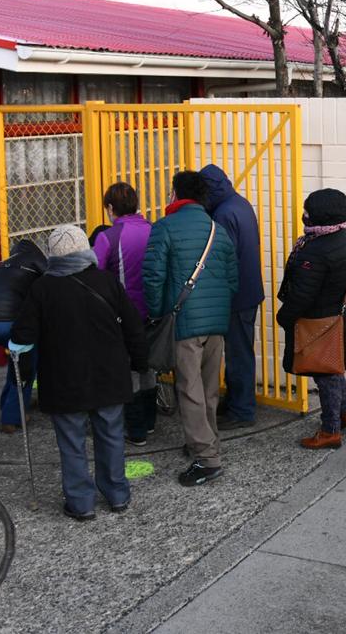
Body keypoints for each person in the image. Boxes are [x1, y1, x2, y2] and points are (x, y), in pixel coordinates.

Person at [10, 224, 146, 520]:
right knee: (111, 434)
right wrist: (140, 361)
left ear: (53, 256)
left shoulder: (42, 288)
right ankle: (117, 494)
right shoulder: (107, 282)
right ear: (86, 250)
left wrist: (15, 346)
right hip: (108, 374)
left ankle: (81, 502)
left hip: (64, 380)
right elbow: (134, 326)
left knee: (71, 442)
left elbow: (23, 334)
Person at [144, 170, 238, 488]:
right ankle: (206, 440)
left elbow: (153, 277)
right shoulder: (218, 230)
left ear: (175, 194)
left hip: (185, 320)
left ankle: (206, 458)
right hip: (217, 320)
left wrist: (158, 314)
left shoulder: (164, 227)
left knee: (188, 388)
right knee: (209, 388)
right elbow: (232, 278)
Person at [277, 189, 346, 450]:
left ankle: (330, 430)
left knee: (326, 376)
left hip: (320, 325)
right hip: (342, 319)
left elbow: (303, 295)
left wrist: (285, 317)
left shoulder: (316, 250)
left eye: (308, 212)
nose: (305, 216)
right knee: (334, 369)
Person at [200, 164, 266, 431]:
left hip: (235, 296)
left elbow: (220, 259)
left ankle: (242, 409)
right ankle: (238, 401)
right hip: (248, 290)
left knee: (238, 354)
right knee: (241, 351)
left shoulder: (223, 214)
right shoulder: (239, 203)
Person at [92, 182, 156, 445]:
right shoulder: (153, 229)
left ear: (110, 207)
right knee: (148, 366)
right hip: (153, 310)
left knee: (128, 371)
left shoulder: (108, 237)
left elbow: (93, 270)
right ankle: (150, 422)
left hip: (122, 312)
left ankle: (136, 430)